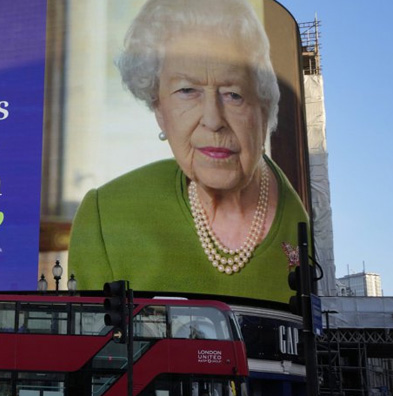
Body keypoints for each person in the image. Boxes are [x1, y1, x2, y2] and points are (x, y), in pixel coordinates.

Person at [67, 0, 308, 304]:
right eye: (187, 91)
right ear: (159, 109)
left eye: (233, 94)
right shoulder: (107, 217)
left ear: (263, 106)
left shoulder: (300, 223)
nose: (212, 120)